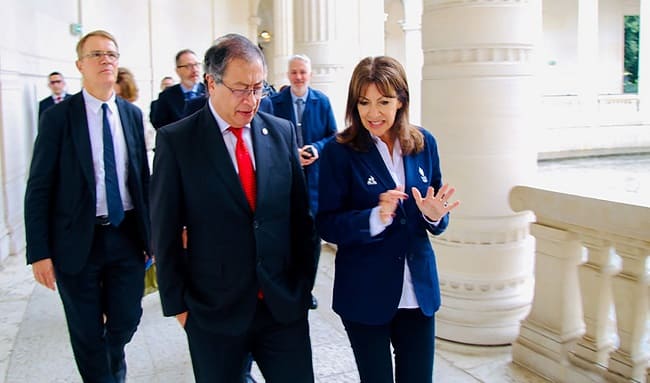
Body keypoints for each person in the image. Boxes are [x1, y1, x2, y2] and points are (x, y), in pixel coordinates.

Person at [150, 33, 318, 382]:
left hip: (281, 307)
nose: (251, 99)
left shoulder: (282, 132)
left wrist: (302, 287)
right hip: (213, 313)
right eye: (241, 88)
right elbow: (164, 231)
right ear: (211, 82)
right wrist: (179, 308)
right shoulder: (178, 141)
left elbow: (301, 219)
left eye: (259, 88)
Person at [315, 56, 461, 383]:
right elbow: (326, 223)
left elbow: (435, 210)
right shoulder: (339, 152)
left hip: (417, 291)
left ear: (401, 100)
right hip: (364, 292)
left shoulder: (425, 143)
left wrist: (435, 218)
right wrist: (375, 217)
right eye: (364, 102)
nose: (373, 113)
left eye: (383, 102)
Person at [24, 30, 151, 383]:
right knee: (85, 329)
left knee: (126, 319)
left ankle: (111, 367)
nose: (106, 60)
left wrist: (152, 238)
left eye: (111, 53)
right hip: (75, 241)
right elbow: (39, 187)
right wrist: (39, 252)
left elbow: (142, 180)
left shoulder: (131, 114)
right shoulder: (58, 118)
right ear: (80, 65)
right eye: (96, 54)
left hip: (125, 235)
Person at [270, 54, 337, 216]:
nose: (298, 77)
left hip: (316, 173)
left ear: (310, 75)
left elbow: (334, 135)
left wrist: (316, 148)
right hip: (285, 172)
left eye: (303, 72)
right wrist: (293, 153)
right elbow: (269, 139)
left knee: (313, 220)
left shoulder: (322, 101)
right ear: (288, 75)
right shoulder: (274, 103)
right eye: (294, 72)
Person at [151, 49, 206, 129]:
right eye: (188, 66)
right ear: (178, 70)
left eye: (197, 65)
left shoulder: (210, 92)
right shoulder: (166, 96)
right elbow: (161, 126)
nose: (195, 70)